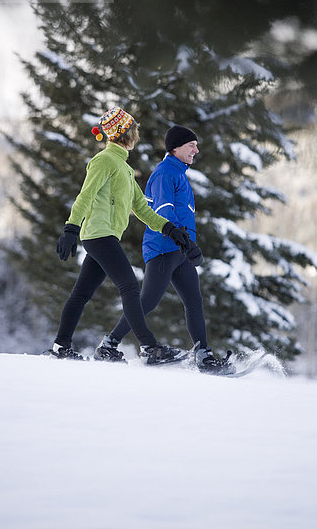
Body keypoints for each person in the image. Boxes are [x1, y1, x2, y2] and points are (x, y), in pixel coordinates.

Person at [50, 108, 190, 364]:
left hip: (104, 237)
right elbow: (86, 195)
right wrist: (71, 228)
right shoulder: (104, 161)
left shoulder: (124, 168)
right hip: (99, 235)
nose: (138, 133)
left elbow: (143, 210)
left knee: (81, 294)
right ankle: (149, 347)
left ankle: (61, 345)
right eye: (134, 128)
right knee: (129, 288)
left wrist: (170, 229)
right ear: (125, 133)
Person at [95, 124, 234, 373]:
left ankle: (204, 356)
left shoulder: (178, 173)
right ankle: (109, 344)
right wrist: (184, 243)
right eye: (192, 145)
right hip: (162, 248)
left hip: (180, 250)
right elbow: (162, 212)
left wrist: (188, 245)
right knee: (147, 301)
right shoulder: (165, 173)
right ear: (176, 147)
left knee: (194, 301)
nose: (196, 150)